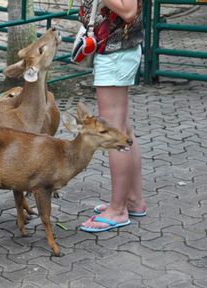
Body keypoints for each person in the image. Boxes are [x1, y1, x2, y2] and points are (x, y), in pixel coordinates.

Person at [78, 0, 147, 232]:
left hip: (116, 52)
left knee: (114, 131)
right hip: (116, 50)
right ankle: (134, 200)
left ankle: (117, 210)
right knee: (123, 129)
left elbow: (128, 10)